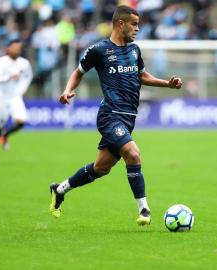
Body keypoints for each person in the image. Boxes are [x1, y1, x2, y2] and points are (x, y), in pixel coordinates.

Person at [49, 5, 182, 226]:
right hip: (110, 115)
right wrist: (66, 90)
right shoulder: (99, 50)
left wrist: (167, 84)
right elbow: (78, 72)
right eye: (134, 24)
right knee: (133, 154)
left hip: (129, 118)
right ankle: (144, 210)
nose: (137, 29)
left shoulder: (134, 50)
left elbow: (142, 76)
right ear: (120, 24)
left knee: (101, 168)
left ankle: (60, 189)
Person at [0, 39, 33, 165]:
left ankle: (5, 134)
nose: (17, 50)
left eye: (19, 47)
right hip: (1, 97)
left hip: (15, 96)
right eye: (14, 47)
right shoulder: (1, 62)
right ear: (8, 49)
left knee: (21, 121)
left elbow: (28, 77)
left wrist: (22, 89)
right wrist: (9, 77)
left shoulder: (24, 63)